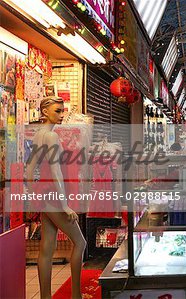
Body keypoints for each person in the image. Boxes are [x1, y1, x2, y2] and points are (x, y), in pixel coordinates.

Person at [26, 96, 86, 299]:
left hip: (44, 195)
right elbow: (56, 172)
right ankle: (76, 295)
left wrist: (34, 192)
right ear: (45, 112)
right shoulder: (51, 137)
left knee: (47, 246)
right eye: (57, 111)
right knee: (80, 243)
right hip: (54, 196)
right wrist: (65, 205)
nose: (61, 115)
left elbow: (29, 169)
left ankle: (45, 297)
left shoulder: (39, 134)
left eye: (62, 111)